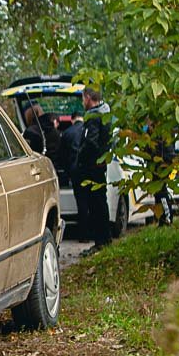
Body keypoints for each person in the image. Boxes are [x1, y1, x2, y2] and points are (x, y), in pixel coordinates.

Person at [77, 87, 113, 251]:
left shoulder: (93, 117)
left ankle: (100, 242)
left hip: (91, 166)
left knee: (95, 204)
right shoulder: (106, 115)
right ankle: (105, 240)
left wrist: (81, 156)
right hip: (101, 164)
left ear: (89, 97)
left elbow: (91, 142)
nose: (82, 102)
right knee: (101, 203)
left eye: (83, 98)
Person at [60, 113, 88, 227]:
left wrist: (66, 173)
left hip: (74, 170)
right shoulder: (87, 130)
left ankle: (83, 231)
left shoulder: (67, 133)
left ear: (72, 120)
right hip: (88, 169)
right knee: (91, 199)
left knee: (80, 200)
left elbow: (62, 156)